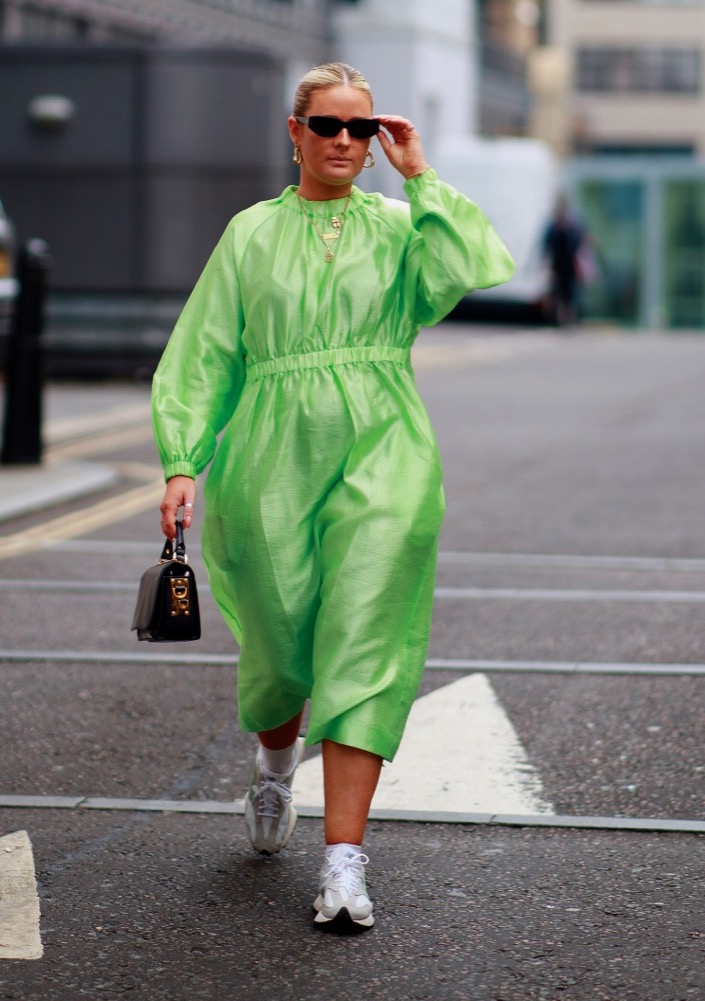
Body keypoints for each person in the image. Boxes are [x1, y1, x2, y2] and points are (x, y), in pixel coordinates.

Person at [152, 61, 514, 932]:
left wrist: (420, 171)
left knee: (366, 637)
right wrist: (181, 461)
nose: (347, 142)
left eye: (363, 128)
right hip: (270, 454)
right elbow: (206, 353)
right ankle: (274, 769)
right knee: (279, 650)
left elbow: (476, 261)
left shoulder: (400, 225)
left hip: (384, 444)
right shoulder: (248, 234)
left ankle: (344, 861)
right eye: (329, 127)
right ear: (295, 132)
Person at [543, 195, 587, 326]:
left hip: (569, 264)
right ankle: (560, 318)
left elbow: (577, 243)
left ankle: (567, 318)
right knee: (558, 292)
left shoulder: (572, 224)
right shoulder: (553, 224)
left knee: (568, 292)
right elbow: (547, 245)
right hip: (558, 264)